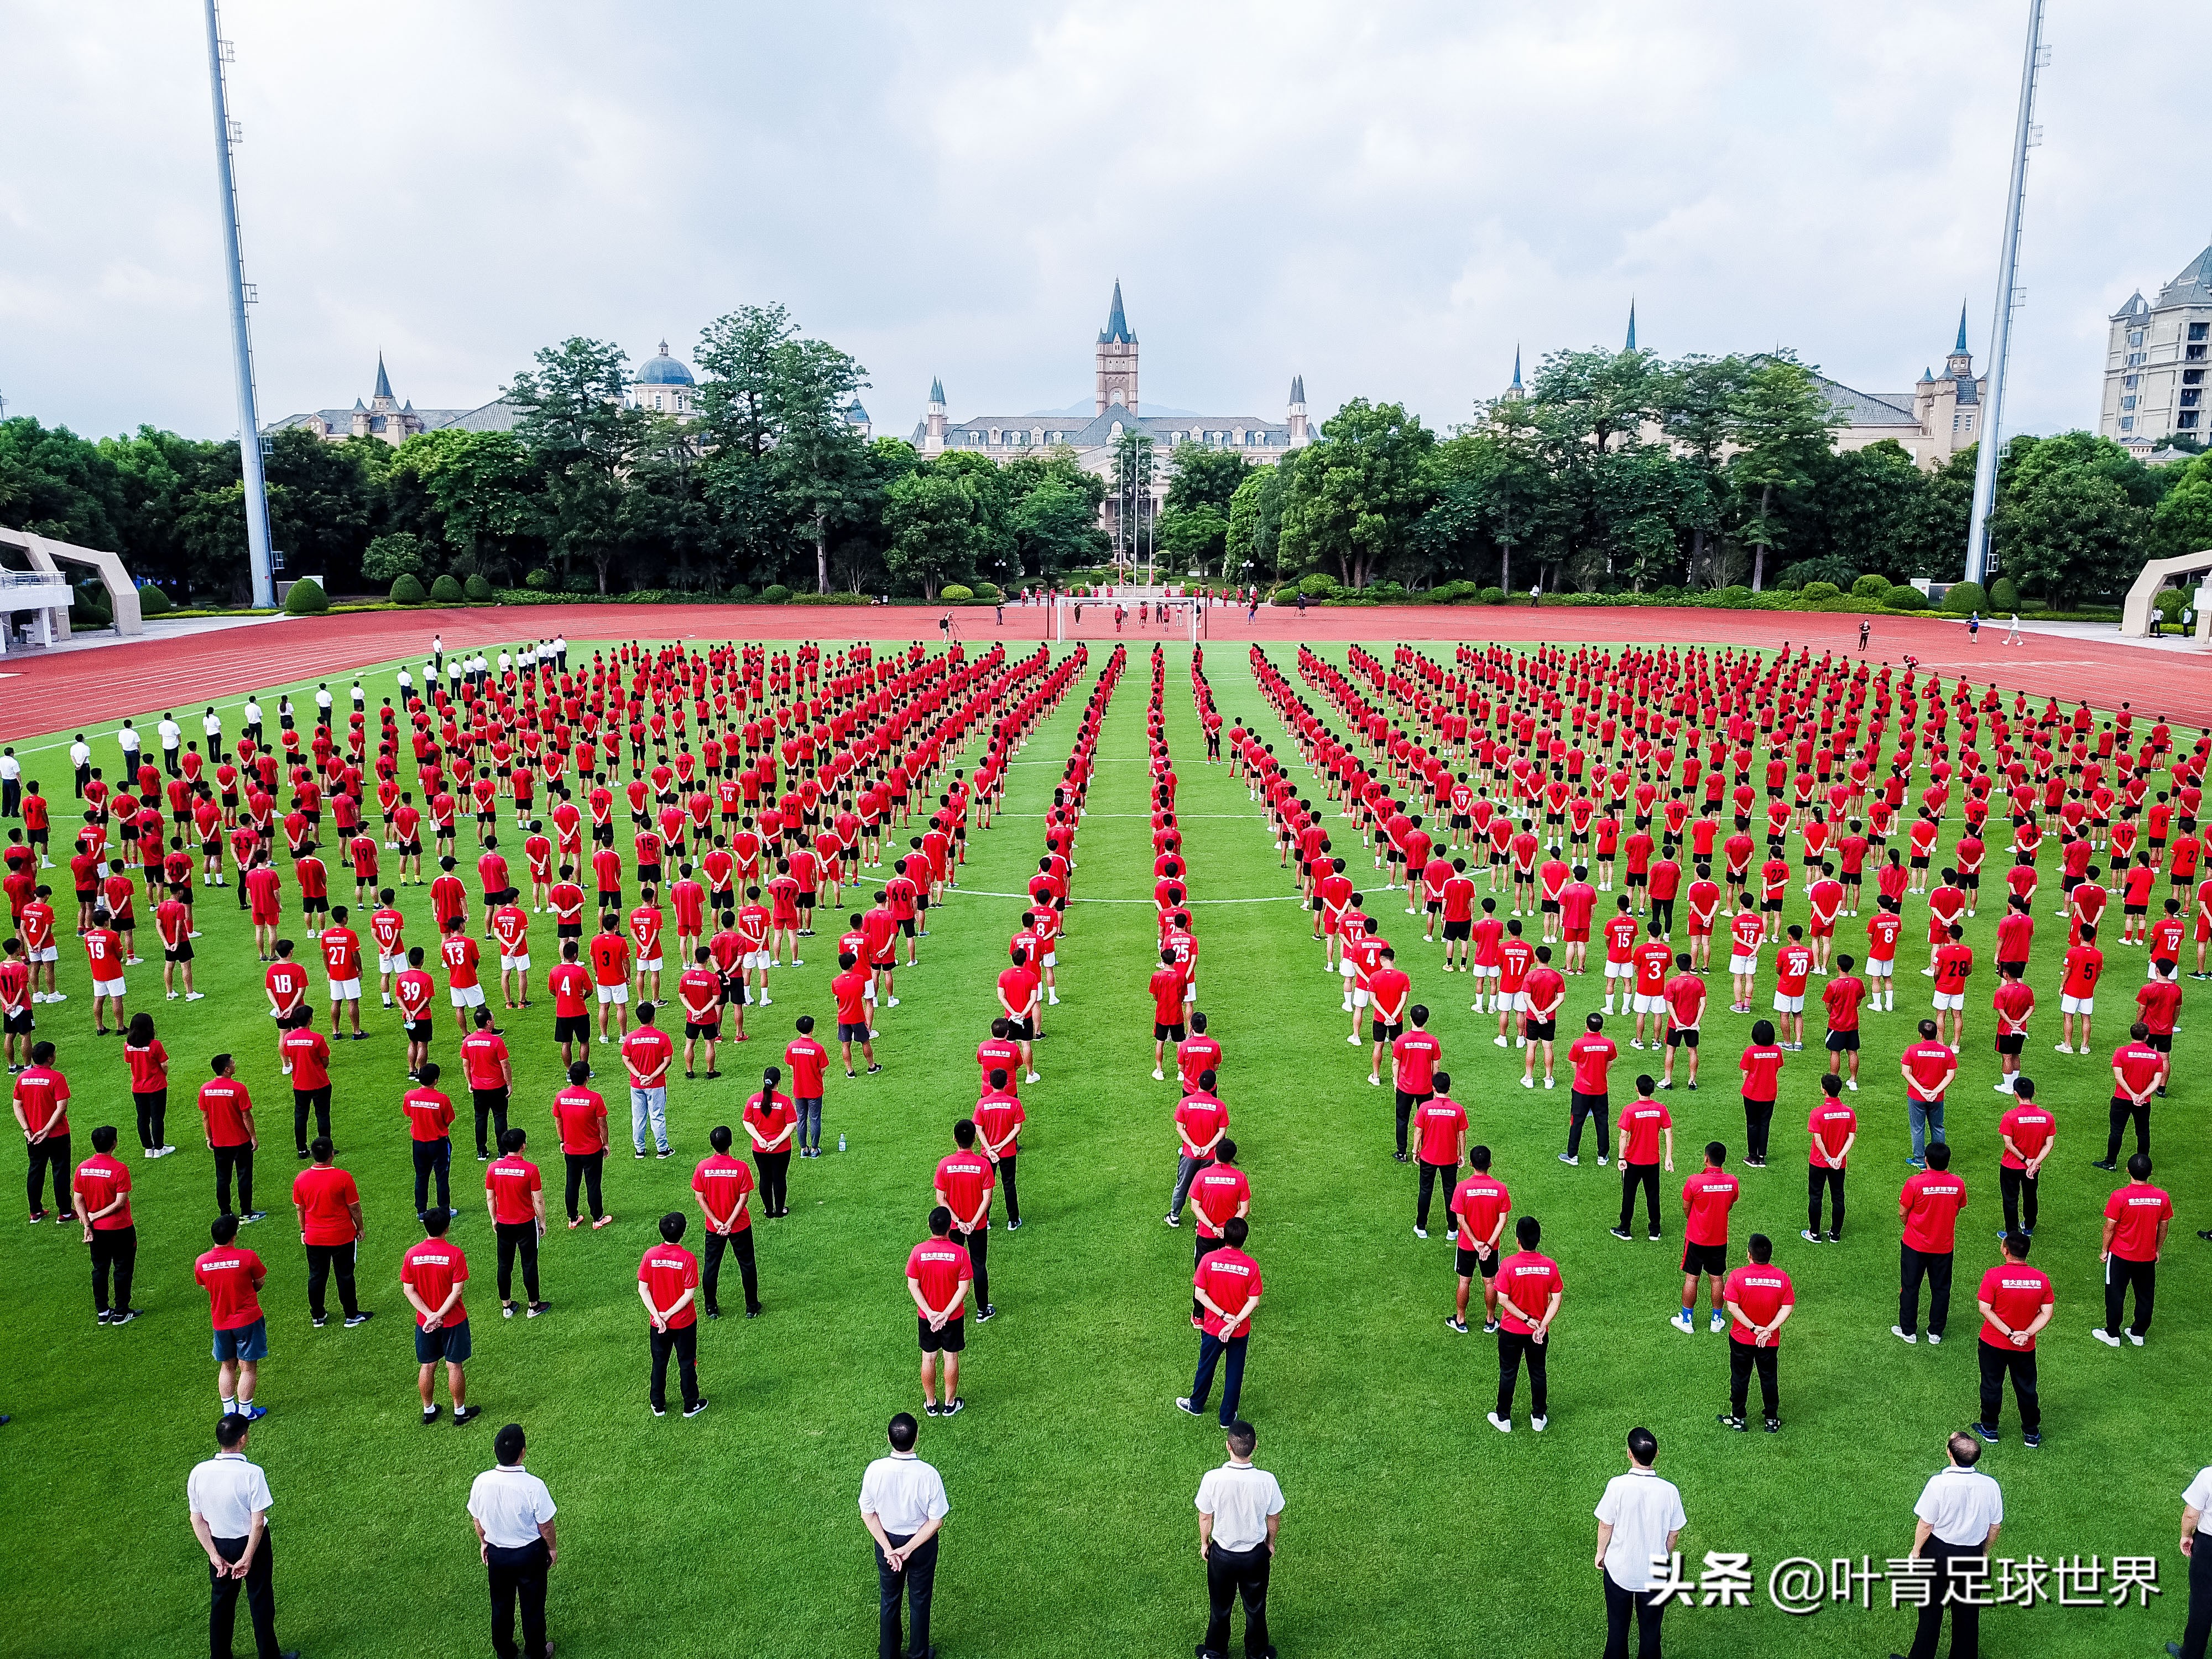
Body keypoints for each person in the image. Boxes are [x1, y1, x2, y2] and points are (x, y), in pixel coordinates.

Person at [187, 1413, 300, 1659]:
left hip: (219, 1545)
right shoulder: (252, 1473)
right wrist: (248, 1557)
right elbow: (257, 1523)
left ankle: (220, 1657)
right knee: (260, 1599)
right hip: (252, 1545)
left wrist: (214, 1555)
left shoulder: (199, 1472)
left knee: (221, 1603)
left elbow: (197, 1519)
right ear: (243, 1439)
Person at [1902, 1432, 2002, 1659]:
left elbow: (1926, 1524)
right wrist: (1984, 1552)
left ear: (1950, 1454)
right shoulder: (1990, 1485)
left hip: (1938, 1553)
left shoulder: (1939, 1484)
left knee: (1930, 1610)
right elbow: (1995, 1526)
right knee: (1967, 1612)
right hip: (1971, 1555)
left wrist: (1916, 1551)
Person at [859, 1411, 949, 1659]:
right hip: (921, 1546)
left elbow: (868, 1514)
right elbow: (936, 1521)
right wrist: (907, 1549)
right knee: (920, 1599)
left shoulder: (875, 1470)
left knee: (889, 1598)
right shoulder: (928, 1474)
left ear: (889, 1439)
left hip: (886, 1541)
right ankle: (919, 1655)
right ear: (916, 1438)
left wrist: (890, 1550)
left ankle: (889, 1654)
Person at [466, 1421, 557, 1659]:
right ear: (523, 1452)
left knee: (501, 1606)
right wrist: (552, 1549)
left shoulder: (481, 1482)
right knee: (533, 1606)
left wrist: (484, 1542)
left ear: (495, 1450)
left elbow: (477, 1518)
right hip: (530, 1555)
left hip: (498, 1555)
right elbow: (546, 1525)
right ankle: (536, 1652)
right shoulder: (534, 1486)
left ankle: (505, 1652)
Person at [1194, 1419, 1284, 1659]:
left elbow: (1205, 1516)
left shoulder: (1212, 1478)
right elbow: (1274, 1516)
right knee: (1256, 1608)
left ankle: (1214, 1653)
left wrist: (1204, 1543)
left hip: (1222, 1556)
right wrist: (1270, 1543)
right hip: (1255, 1557)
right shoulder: (1267, 1480)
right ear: (1255, 1446)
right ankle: (1258, 1655)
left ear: (1228, 1446)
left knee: (1220, 1608)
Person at [1593, 1425, 1686, 1659]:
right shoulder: (1670, 1491)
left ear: (1629, 1454)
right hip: (1655, 1575)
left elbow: (1605, 1525)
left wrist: (1601, 1553)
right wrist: (1664, 1555)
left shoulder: (1617, 1486)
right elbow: (1674, 1534)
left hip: (1619, 1571)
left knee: (1617, 1632)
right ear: (1657, 1454)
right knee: (1651, 1634)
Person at [401, 1207, 480, 1427]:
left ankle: (429, 1410)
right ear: (447, 1228)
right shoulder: (455, 1254)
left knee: (428, 1365)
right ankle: (460, 1412)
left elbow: (409, 1290)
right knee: (454, 1366)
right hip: (453, 1320)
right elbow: (457, 1291)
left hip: (425, 1323)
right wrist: (439, 1315)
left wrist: (429, 1316)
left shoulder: (412, 1254)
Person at [1180, 1214, 1262, 1426]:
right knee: (1234, 1373)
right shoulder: (1251, 1266)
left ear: (1225, 1236)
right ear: (1244, 1239)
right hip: (1239, 1331)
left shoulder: (1208, 1260)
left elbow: (1200, 1295)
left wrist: (1223, 1316)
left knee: (1206, 1366)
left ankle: (1196, 1405)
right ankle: (1227, 1418)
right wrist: (1234, 1322)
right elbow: (1254, 1302)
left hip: (1213, 1328)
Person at [1973, 1232, 2051, 1448]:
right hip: (2025, 1347)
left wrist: (2010, 1334)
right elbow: (2046, 1312)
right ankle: (2031, 1433)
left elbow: (1985, 1309)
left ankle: (1990, 1429)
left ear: (2005, 1251)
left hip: (1993, 1343)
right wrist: (2026, 1334)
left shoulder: (1993, 1276)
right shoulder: (2041, 1279)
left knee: (1991, 1385)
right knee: (2027, 1388)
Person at [1489, 1213, 1562, 1432]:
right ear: (1538, 1239)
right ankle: (1539, 1417)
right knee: (1538, 1372)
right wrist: (1542, 1325)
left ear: (1517, 1240)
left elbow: (1503, 1299)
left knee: (1508, 1373)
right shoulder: (1550, 1266)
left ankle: (1504, 1419)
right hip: (1538, 1333)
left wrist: (1526, 1319)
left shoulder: (1509, 1265)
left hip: (1511, 1331)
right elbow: (1557, 1298)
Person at [195, 1212, 269, 1420]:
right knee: (248, 1368)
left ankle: (229, 1411)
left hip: (221, 1322)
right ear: (234, 1236)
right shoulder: (248, 1257)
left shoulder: (201, 1262)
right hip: (248, 1320)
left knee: (227, 1366)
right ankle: (246, 1412)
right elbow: (260, 1282)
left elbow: (205, 1286)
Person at [291, 1137, 371, 1329]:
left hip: (314, 1237)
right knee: (345, 1276)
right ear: (332, 1154)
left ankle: (318, 1316)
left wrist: (303, 1230)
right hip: (342, 1236)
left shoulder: (301, 1179)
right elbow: (354, 1207)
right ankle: (351, 1315)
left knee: (317, 1276)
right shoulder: (343, 1177)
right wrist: (360, 1228)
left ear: (312, 1155)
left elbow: (300, 1208)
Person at [1718, 1233, 1792, 1432]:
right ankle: (1771, 1420)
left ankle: (1738, 1418)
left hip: (1742, 1339)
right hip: (1769, 1341)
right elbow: (1787, 1308)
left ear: (1749, 1254)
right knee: (1769, 1378)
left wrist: (1753, 1327)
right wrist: (1768, 1330)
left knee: (1740, 1378)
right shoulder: (1782, 1278)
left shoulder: (1737, 1276)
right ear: (1770, 1255)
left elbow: (1732, 1307)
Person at [2096, 1151, 2172, 1347]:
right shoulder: (2162, 1197)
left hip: (2120, 1255)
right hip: (2146, 1256)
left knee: (2115, 1294)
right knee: (2145, 1296)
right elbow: (2164, 1226)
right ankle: (2138, 1334)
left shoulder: (2120, 1196)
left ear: (2127, 1170)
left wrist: (2104, 1250)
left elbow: (2109, 1227)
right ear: (2151, 1172)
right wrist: (2157, 1249)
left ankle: (2113, 1334)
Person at [1895, 1141, 1966, 1346]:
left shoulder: (1915, 1183)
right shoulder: (1957, 1184)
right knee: (1941, 1289)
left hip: (1914, 1245)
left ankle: (1908, 1331)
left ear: (1926, 1160)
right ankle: (1935, 1332)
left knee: (1910, 1287)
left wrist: (1913, 1227)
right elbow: (1957, 1208)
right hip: (1943, 1247)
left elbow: (1903, 1212)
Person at [638, 1211, 706, 1417]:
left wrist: (658, 1316)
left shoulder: (650, 1255)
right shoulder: (688, 1259)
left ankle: (658, 1405)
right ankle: (691, 1405)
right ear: (683, 1233)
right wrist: (668, 1314)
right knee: (686, 1363)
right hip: (684, 1322)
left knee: (659, 1363)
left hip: (658, 1324)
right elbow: (689, 1294)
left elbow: (643, 1289)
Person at [691, 1124, 761, 1319]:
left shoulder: (703, 1167)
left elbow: (699, 1197)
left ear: (712, 1145)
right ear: (730, 1143)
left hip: (714, 1227)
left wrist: (716, 1221)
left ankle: (711, 1308)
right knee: (747, 1264)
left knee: (711, 1266)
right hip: (740, 1225)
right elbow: (743, 1199)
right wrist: (730, 1223)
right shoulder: (741, 1168)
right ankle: (752, 1307)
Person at [907, 1205, 972, 1416]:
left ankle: (931, 1404)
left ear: (929, 1226)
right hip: (953, 1317)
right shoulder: (960, 1253)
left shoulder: (918, 1252)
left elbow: (913, 1285)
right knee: (950, 1358)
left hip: (927, 1317)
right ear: (950, 1228)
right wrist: (945, 1314)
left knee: (928, 1358)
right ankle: (950, 1403)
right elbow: (964, 1288)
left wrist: (930, 1312)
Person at [74, 1123, 138, 1325]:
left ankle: (103, 1312)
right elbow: (120, 1203)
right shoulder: (119, 1169)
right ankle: (121, 1313)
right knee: (122, 1269)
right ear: (114, 1144)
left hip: (97, 1232)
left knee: (100, 1269)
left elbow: (78, 1199)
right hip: (120, 1229)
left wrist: (87, 1224)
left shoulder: (83, 1168)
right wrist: (94, 1217)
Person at [485, 1127, 549, 1320]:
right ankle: (533, 1306)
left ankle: (507, 1306)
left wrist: (494, 1219)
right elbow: (538, 1200)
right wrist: (543, 1222)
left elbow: (490, 1198)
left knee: (504, 1265)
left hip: (504, 1224)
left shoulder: (493, 1169)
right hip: (526, 1224)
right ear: (523, 1146)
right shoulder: (530, 1169)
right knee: (529, 1264)